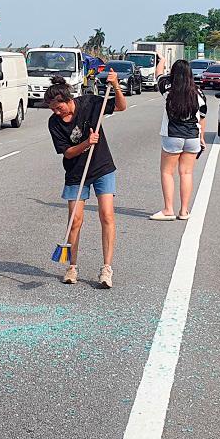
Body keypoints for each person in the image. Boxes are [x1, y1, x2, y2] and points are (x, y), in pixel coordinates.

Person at [46, 70, 127, 288]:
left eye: (58, 107)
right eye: (52, 109)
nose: (56, 112)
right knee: (75, 221)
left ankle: (106, 269)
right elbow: (68, 153)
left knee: (107, 216)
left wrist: (116, 85)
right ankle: (72, 267)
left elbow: (120, 106)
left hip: (102, 168)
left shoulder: (90, 103)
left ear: (68, 99)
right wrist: (87, 143)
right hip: (75, 173)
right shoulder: (54, 123)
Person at [151, 60, 207, 221]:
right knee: (186, 173)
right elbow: (202, 117)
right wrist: (202, 138)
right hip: (193, 137)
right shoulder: (199, 93)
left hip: (172, 136)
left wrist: (161, 59)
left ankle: (168, 209)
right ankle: (184, 211)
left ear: (173, 74)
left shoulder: (168, 89)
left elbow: (159, 73)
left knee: (167, 172)